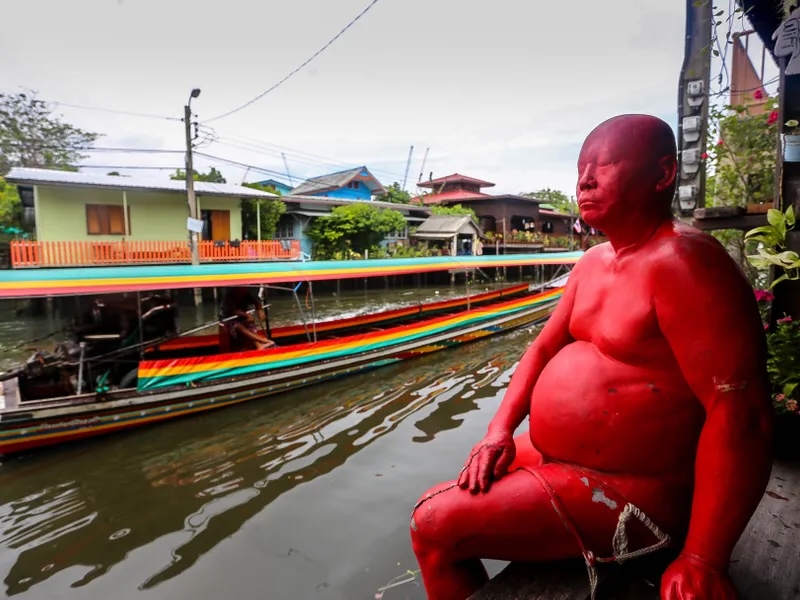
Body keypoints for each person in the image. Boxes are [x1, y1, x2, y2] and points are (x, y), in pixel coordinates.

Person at [409, 114, 774, 600]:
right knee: (453, 490)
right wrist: (498, 431)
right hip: (560, 457)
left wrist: (703, 557)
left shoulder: (684, 263)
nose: (584, 180)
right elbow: (541, 350)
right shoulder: (593, 263)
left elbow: (740, 409)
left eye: (604, 165)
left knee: (433, 525)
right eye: (582, 167)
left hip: (634, 489)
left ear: (663, 174)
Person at [219, 286, 276, 351]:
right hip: (228, 320)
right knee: (237, 326)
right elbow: (233, 311)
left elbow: (256, 303)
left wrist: (260, 310)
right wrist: (246, 315)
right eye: (243, 287)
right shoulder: (229, 296)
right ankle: (264, 341)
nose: (245, 289)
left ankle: (259, 345)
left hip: (241, 319)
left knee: (250, 323)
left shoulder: (246, 294)